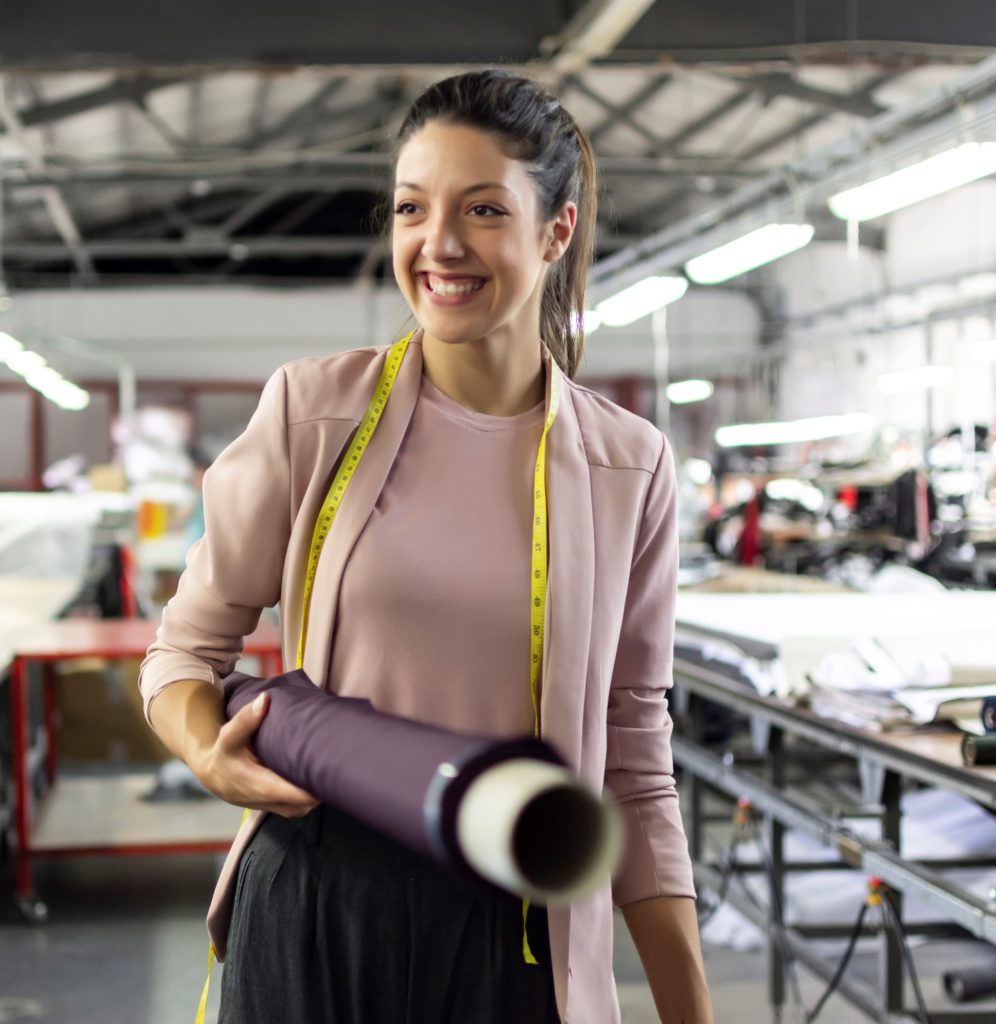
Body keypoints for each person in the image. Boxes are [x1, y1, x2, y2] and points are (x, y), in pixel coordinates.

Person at [140, 68, 713, 1024]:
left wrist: (688, 1010)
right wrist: (209, 753)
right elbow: (182, 653)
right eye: (413, 208)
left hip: (516, 935)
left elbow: (634, 761)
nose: (438, 244)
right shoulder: (314, 412)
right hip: (320, 905)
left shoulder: (627, 466)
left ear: (555, 229)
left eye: (484, 209)